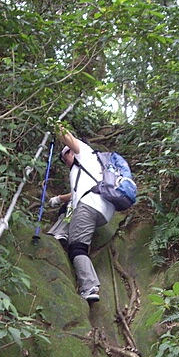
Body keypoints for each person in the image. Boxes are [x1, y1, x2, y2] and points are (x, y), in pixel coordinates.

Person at [47, 126, 116, 303]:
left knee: (77, 247)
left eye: (65, 157)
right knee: (71, 206)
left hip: (89, 205)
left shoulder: (84, 153)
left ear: (71, 152)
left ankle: (89, 286)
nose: (66, 162)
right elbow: (75, 194)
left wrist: (56, 127)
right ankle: (61, 232)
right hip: (103, 210)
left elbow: (67, 137)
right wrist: (58, 199)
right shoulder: (92, 166)